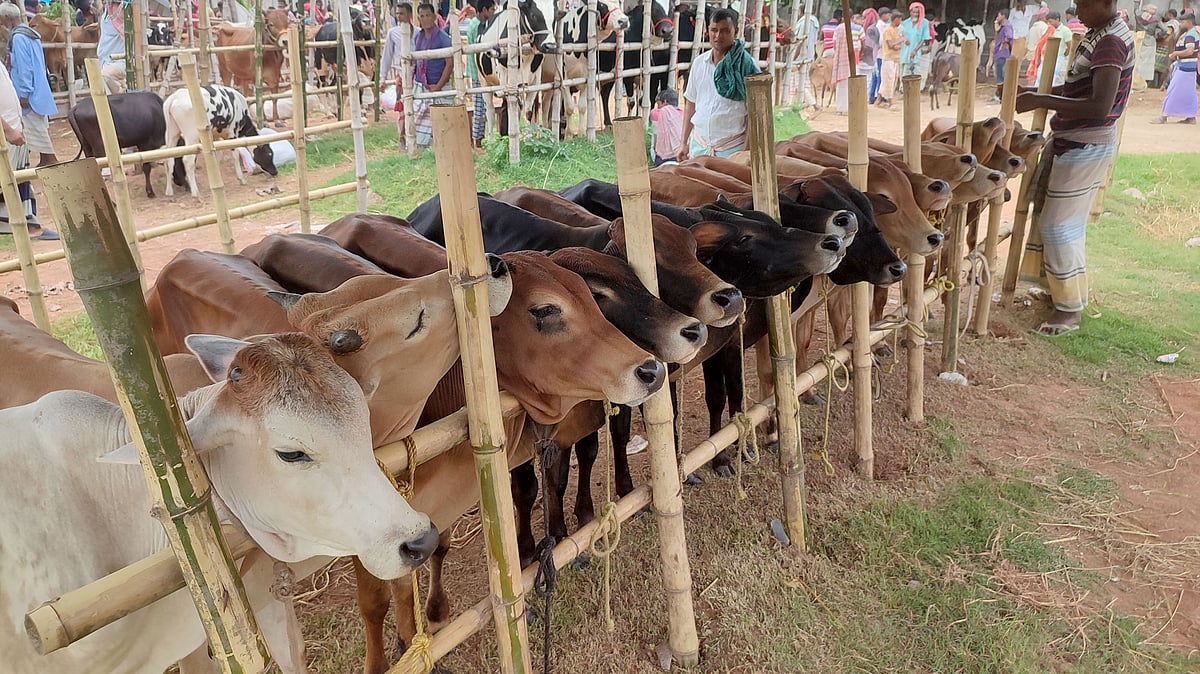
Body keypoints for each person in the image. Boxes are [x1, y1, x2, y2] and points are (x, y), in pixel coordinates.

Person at [1015, 0, 1133, 336]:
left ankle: (1069, 311)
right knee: (1056, 220)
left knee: (1058, 226)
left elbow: (1098, 106)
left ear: (1106, 3)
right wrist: (1035, 93)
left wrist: (1039, 100)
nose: (1076, 10)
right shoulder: (1101, 33)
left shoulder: (1110, 40)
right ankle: (1060, 292)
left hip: (1086, 142)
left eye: (1082, 3)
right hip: (1075, 139)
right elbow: (1079, 89)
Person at [677, 8, 759, 160]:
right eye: (714, 30)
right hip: (698, 146)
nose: (718, 36)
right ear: (708, 30)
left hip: (732, 150)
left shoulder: (749, 68)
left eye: (725, 31)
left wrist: (745, 154)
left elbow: (755, 116)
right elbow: (691, 104)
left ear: (736, 31)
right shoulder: (699, 63)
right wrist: (683, 142)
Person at [0, 57, 54, 240]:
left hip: (14, 130)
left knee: (18, 179)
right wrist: (7, 131)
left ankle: (27, 223)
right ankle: (27, 227)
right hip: (6, 134)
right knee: (8, 180)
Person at [1, 3, 55, 169]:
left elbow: (25, 68)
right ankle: (45, 159)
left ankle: (49, 159)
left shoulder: (18, 38)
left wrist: (24, 93)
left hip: (28, 93)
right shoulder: (31, 34)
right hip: (38, 88)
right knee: (36, 126)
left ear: (7, 18)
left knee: (31, 127)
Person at [411, 2, 453, 148]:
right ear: (418, 18)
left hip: (438, 87)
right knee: (418, 122)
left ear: (434, 17)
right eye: (422, 16)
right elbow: (416, 62)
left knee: (442, 122)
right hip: (421, 86)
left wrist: (438, 87)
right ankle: (423, 149)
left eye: (428, 15)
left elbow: (449, 64)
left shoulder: (443, 38)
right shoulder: (418, 37)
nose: (425, 19)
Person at [1151, 11, 1198, 124]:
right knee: (1189, 92)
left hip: (1185, 66)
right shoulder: (1191, 33)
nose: (1180, 24)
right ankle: (1190, 116)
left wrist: (1176, 54)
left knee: (1172, 90)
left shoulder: (1191, 34)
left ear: (1189, 22)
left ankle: (1164, 115)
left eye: (1182, 22)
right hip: (1187, 66)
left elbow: (1189, 51)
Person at [380, 2, 413, 151]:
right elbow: (386, 57)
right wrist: (382, 78)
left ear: (410, 15)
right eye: (397, 14)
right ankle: (402, 139)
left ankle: (418, 137)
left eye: (402, 13)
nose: (399, 16)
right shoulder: (393, 33)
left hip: (417, 76)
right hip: (401, 75)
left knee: (418, 108)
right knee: (402, 111)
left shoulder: (418, 32)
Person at [466, 0, 494, 149]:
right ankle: (478, 139)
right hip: (478, 71)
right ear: (484, 10)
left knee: (481, 106)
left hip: (477, 70)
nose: (493, 13)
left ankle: (479, 138)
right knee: (479, 107)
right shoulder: (478, 26)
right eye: (491, 10)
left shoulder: (474, 23)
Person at [96, 1, 125, 94]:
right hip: (104, 60)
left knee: (104, 75)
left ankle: (119, 95)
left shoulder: (122, 13)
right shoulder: (106, 12)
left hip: (119, 62)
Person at [876, 11, 903, 108]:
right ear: (895, 19)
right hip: (888, 58)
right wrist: (900, 40)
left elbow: (896, 45)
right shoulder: (888, 30)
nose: (900, 22)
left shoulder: (895, 30)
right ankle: (890, 100)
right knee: (889, 79)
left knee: (892, 79)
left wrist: (898, 44)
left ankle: (878, 101)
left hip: (895, 58)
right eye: (899, 19)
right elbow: (891, 44)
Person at [899, 2, 931, 81]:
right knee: (903, 74)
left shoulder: (924, 23)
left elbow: (924, 39)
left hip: (916, 53)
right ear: (910, 12)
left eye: (917, 12)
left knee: (914, 74)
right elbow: (900, 35)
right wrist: (904, 39)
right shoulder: (905, 23)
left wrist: (915, 50)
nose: (916, 14)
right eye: (914, 12)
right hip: (904, 52)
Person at [650, 89, 682, 166]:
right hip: (682, 157)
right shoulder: (684, 114)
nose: (658, 107)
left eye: (658, 104)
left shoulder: (656, 113)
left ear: (665, 102)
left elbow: (655, 138)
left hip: (662, 159)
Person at [867, 7, 891, 103]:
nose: (889, 17)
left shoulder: (881, 25)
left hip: (878, 54)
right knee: (880, 76)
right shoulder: (881, 26)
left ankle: (873, 96)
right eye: (888, 15)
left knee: (876, 75)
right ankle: (877, 96)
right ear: (884, 15)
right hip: (880, 54)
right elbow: (881, 41)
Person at [1155, 9, 1180, 88]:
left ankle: (1159, 85)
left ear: (1170, 15)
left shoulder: (1172, 24)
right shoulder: (1177, 24)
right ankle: (1159, 85)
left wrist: (1156, 37)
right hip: (1167, 46)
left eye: (1166, 15)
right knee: (1161, 68)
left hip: (1164, 47)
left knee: (1161, 68)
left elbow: (1165, 35)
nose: (1164, 17)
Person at [992, 9, 1013, 103]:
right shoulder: (1001, 27)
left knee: (1001, 76)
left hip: (1002, 53)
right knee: (1000, 75)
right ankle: (1000, 96)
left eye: (999, 15)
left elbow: (1009, 36)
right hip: (999, 53)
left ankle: (1000, 96)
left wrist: (1003, 44)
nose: (997, 17)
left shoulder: (1007, 26)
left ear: (1003, 16)